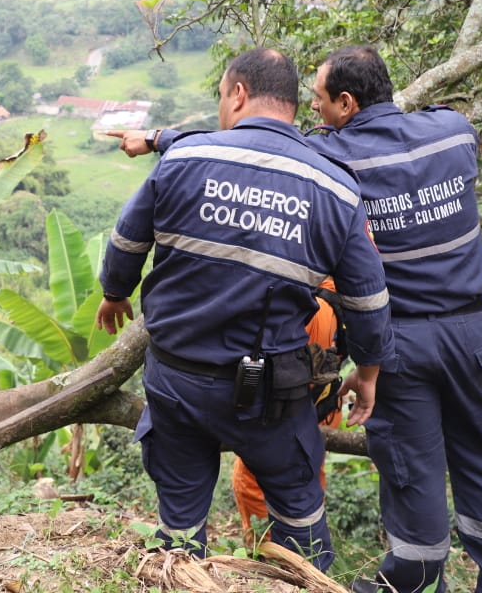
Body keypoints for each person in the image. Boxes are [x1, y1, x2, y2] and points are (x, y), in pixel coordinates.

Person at [112, 45, 482, 593]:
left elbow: (252, 147)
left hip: (403, 340)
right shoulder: (453, 132)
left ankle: (411, 581)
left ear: (346, 104)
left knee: (412, 470)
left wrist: (159, 139)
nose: (313, 112)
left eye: (320, 102)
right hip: (474, 333)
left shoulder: (333, 165)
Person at [96, 48, 393, 570]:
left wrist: (115, 292)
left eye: (219, 96)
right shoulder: (335, 187)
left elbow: (126, 240)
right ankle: (301, 579)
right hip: (272, 395)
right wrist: (367, 372)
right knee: (299, 510)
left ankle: (182, 572)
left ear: (237, 92)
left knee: (181, 519)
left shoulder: (185, 159)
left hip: (178, 379)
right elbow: (366, 301)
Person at [231, 279, 344, 544]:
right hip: (317, 392)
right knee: (306, 468)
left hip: (294, 391)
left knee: (260, 467)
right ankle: (292, 549)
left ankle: (269, 549)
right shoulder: (344, 269)